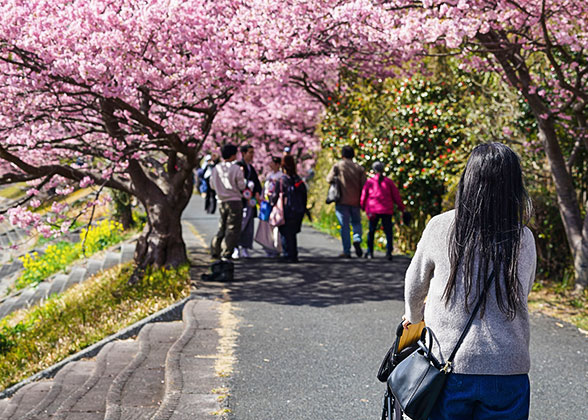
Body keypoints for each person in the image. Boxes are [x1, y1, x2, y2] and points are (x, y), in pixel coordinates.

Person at [401, 143, 536, 420]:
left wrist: (414, 320)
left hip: (447, 367)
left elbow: (415, 286)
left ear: (469, 179)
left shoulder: (441, 226)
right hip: (508, 369)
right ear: (514, 186)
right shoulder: (523, 238)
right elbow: (524, 293)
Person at [326, 145, 367, 258]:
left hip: (342, 200)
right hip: (356, 201)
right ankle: (357, 238)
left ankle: (347, 251)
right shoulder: (359, 168)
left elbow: (328, 179)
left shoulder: (338, 166)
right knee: (356, 223)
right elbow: (365, 185)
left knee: (344, 226)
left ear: (342, 154)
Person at [360, 161, 405, 260]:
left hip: (373, 210)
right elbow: (396, 196)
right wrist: (402, 208)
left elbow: (364, 196)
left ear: (374, 170)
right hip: (386, 210)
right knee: (388, 232)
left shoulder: (370, 182)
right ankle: (389, 252)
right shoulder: (388, 182)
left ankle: (370, 252)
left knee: (371, 231)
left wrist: (363, 207)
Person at [209, 144, 246, 260]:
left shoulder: (216, 169)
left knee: (222, 226)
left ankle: (216, 249)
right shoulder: (236, 169)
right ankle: (226, 252)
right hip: (234, 200)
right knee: (232, 228)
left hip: (221, 201)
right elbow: (241, 186)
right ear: (233, 155)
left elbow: (212, 185)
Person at [272, 155, 307, 263]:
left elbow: (275, 195)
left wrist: (271, 202)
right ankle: (293, 254)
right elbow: (304, 195)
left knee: (285, 232)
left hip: (285, 209)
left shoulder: (281, 180)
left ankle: (287, 254)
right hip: (297, 210)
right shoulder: (298, 180)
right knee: (292, 232)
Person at [234, 145, 262, 258]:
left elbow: (257, 184)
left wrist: (256, 193)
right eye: (250, 152)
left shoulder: (251, 168)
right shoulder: (237, 166)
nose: (252, 155)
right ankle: (235, 247)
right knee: (238, 224)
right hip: (240, 200)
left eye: (252, 152)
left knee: (249, 225)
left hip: (250, 201)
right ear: (243, 153)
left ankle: (245, 247)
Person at [260, 156, 283, 257]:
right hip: (267, 202)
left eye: (272, 163)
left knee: (275, 225)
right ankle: (269, 247)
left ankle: (276, 247)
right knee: (268, 225)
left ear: (278, 164)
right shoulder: (269, 175)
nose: (270, 165)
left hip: (276, 202)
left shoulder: (281, 176)